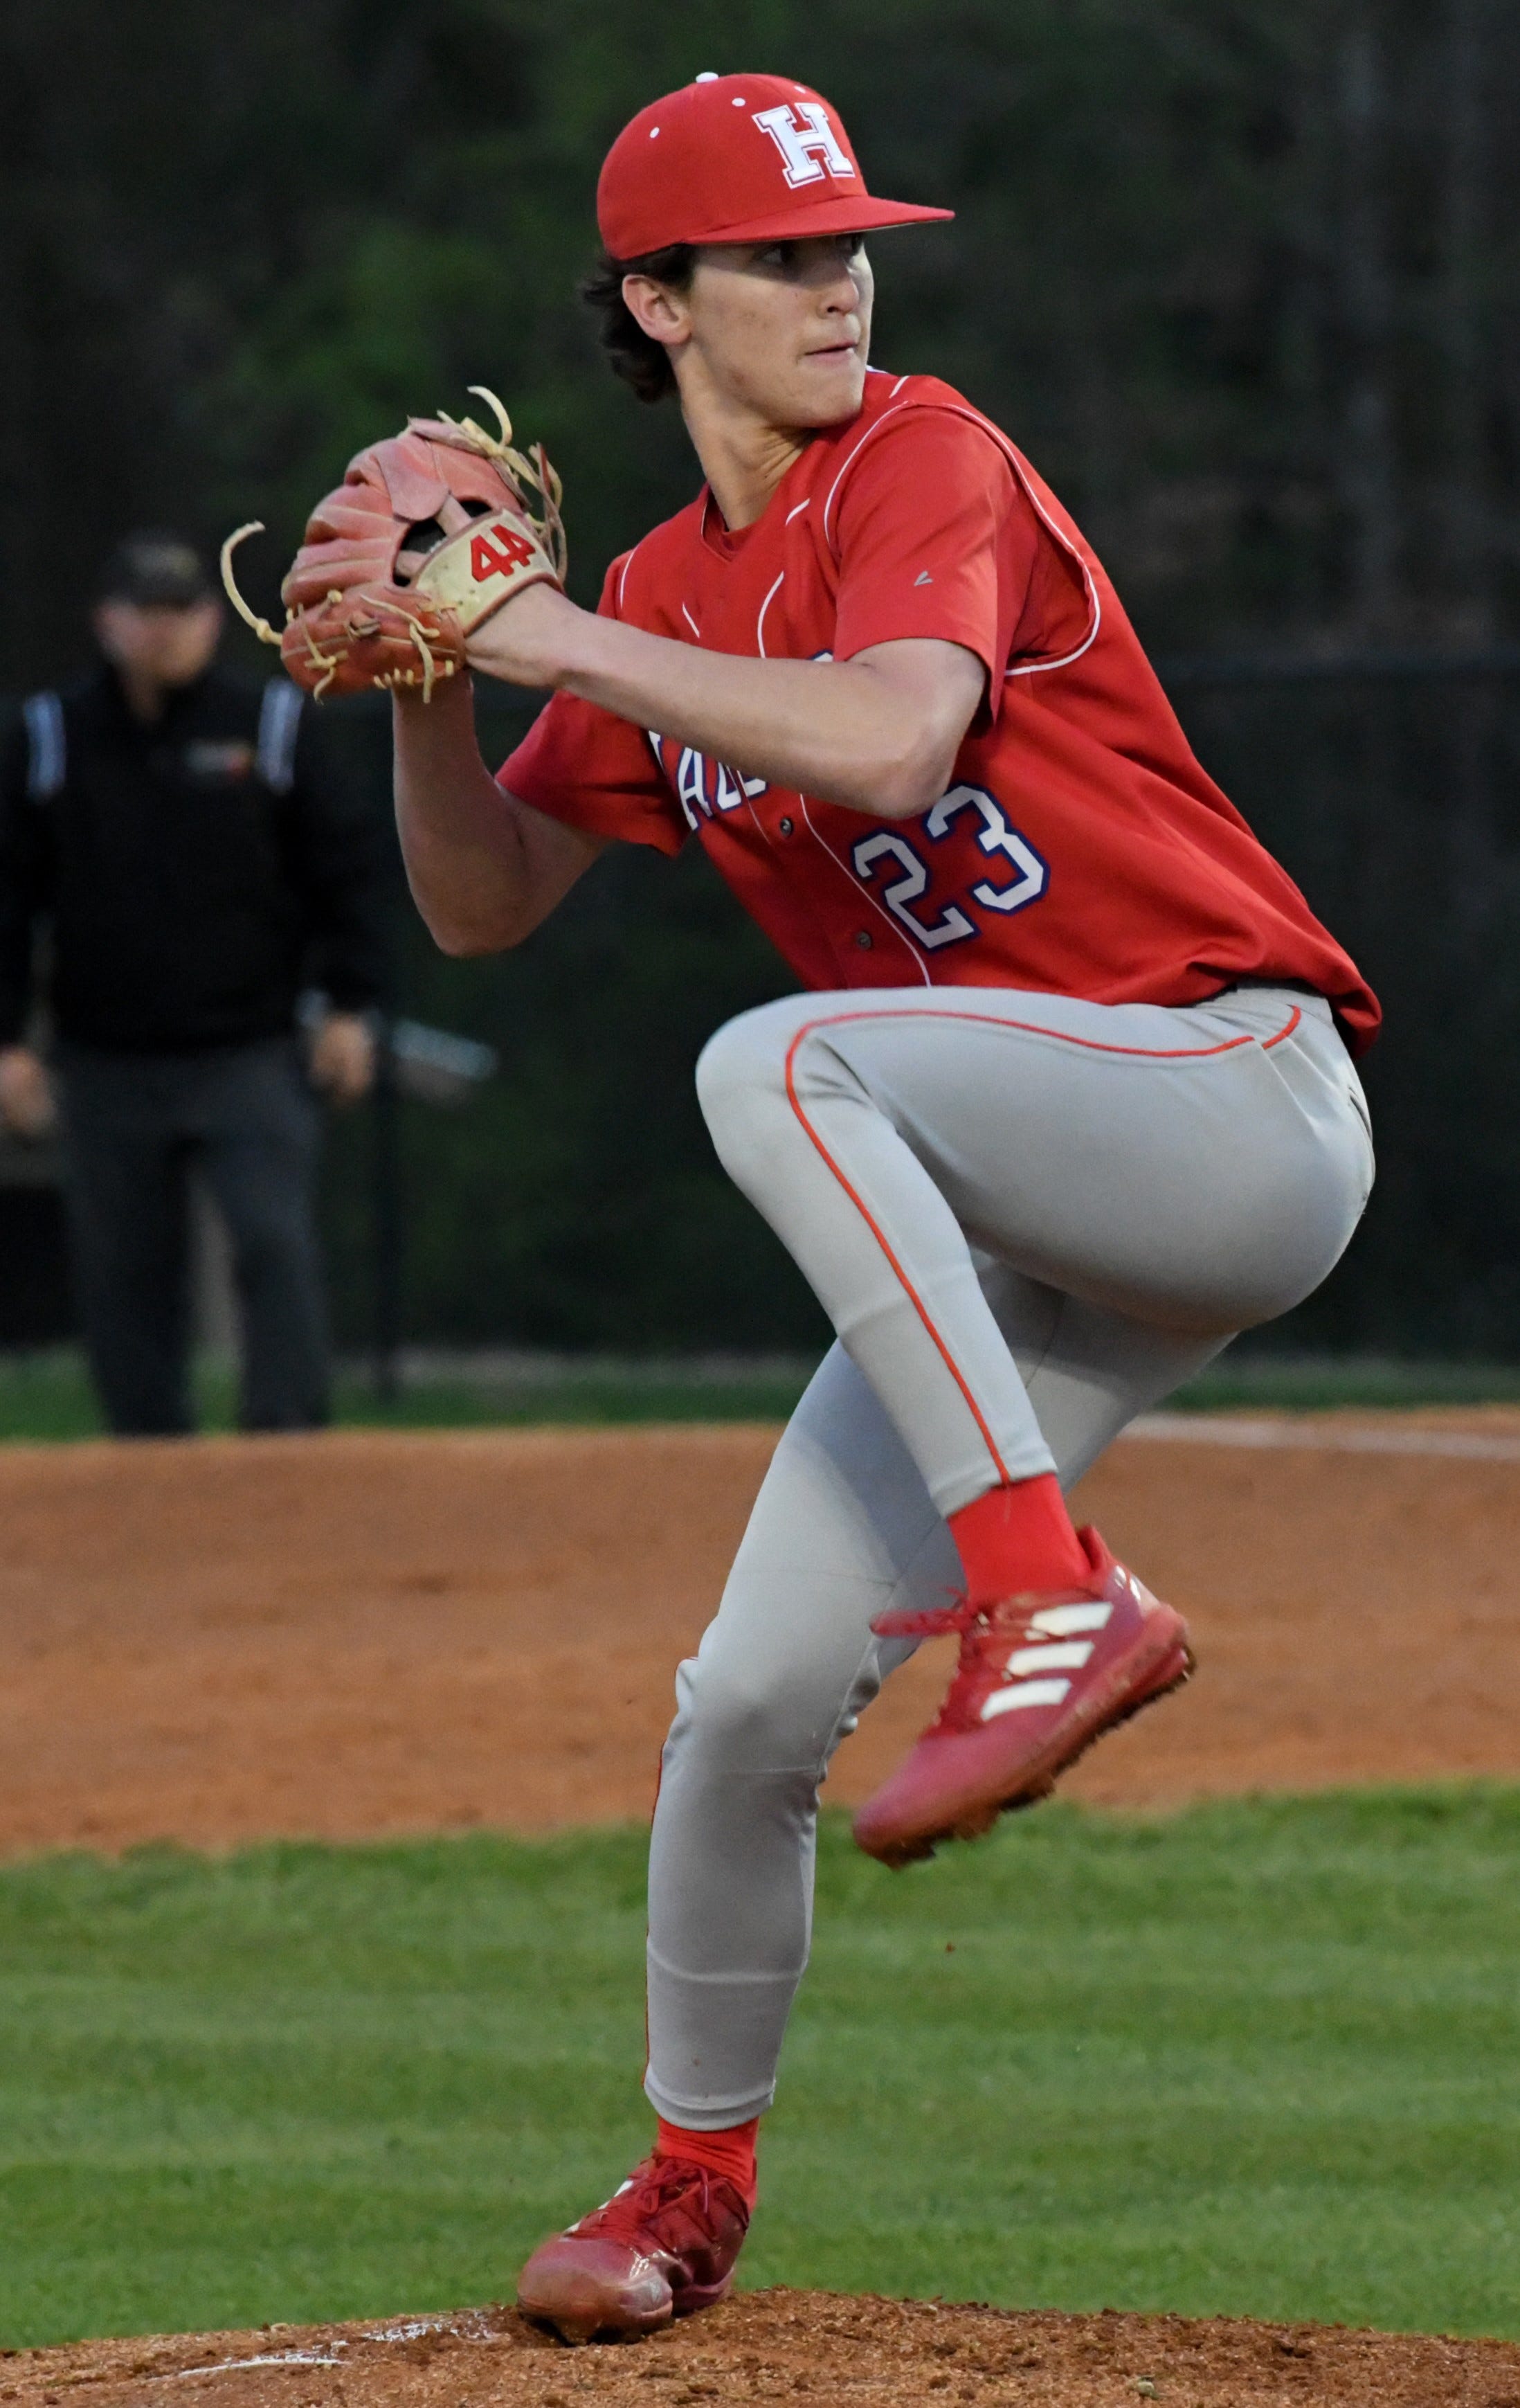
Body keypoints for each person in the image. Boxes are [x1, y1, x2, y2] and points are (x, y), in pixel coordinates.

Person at [323, 73, 1379, 2338]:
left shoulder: (922, 456)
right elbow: (490, 901)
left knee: (769, 1056)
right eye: (780, 254)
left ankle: (1048, 1596)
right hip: (1025, 1209)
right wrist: (430, 683)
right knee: (747, 1699)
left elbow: (895, 738)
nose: (837, 280)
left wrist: (530, 633)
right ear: (652, 299)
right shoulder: (651, 595)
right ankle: (684, 2180)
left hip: (1223, 1097)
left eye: (846, 242)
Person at [0, 532, 392, 1435]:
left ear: (212, 623)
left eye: (182, 612)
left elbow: (347, 873)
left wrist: (348, 1005)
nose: (165, 630)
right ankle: (150, 1466)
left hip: (248, 1050)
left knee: (272, 1242)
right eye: (146, 611)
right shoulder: (50, 738)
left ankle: (287, 1450)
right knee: (123, 1271)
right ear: (108, 621)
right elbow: (9, 900)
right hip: (104, 1059)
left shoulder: (273, 726)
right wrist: (11, 1041)